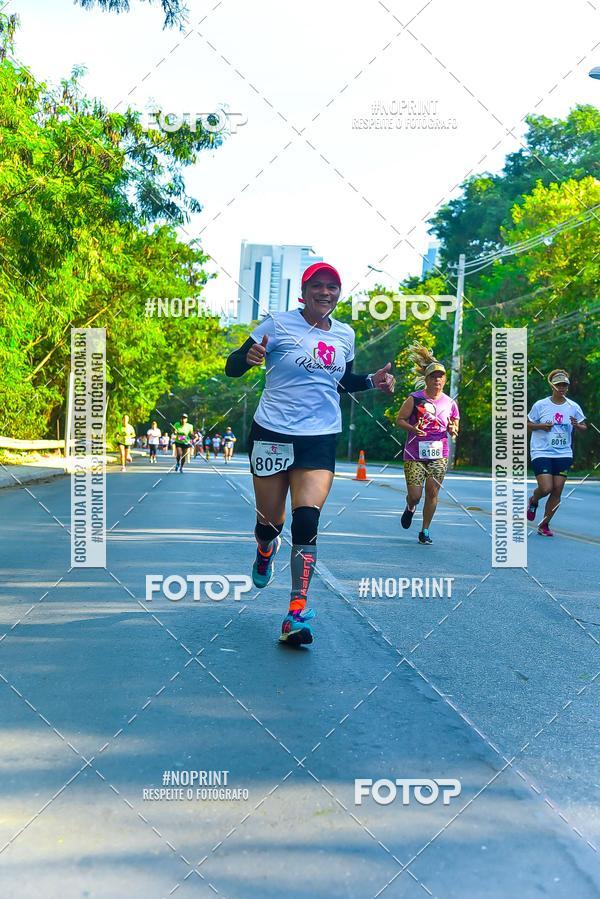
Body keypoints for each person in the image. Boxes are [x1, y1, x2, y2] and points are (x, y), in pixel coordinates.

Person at [225, 261, 394, 646]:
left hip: (319, 437)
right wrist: (247, 359)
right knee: (270, 523)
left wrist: (372, 381)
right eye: (317, 285)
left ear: (338, 293)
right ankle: (265, 548)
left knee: (306, 519)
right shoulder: (277, 324)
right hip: (272, 432)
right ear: (303, 293)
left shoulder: (346, 334)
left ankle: (296, 611)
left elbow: (341, 381)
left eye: (332, 286)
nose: (325, 292)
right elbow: (232, 366)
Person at [395, 345, 459, 545]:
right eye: (433, 376)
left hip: (439, 453)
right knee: (415, 496)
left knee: (432, 492)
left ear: (444, 380)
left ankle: (425, 530)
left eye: (441, 376)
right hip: (414, 453)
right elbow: (400, 420)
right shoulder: (415, 398)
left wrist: (453, 429)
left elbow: (454, 423)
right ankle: (410, 507)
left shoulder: (450, 403)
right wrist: (412, 429)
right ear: (427, 379)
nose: (437, 380)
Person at [527, 369, 586, 536]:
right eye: (558, 385)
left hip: (563, 453)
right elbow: (527, 424)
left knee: (557, 489)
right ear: (552, 386)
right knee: (546, 488)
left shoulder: (573, 407)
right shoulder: (540, 405)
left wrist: (577, 425)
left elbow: (584, 427)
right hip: (541, 451)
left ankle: (544, 524)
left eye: (564, 385)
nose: (562, 388)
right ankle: (534, 499)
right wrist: (541, 426)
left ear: (567, 387)